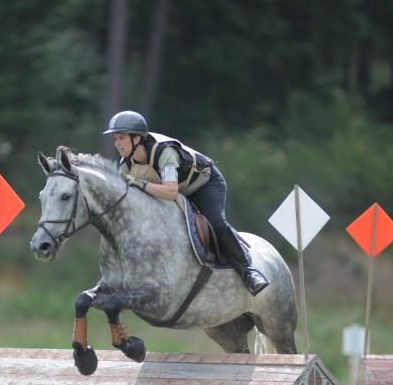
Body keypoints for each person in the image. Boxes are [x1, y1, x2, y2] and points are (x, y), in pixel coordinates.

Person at [103, 110, 269, 296]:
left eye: (121, 138)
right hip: (176, 191)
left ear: (136, 139)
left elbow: (170, 191)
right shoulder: (126, 165)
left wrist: (139, 183)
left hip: (204, 184)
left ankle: (248, 272)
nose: (117, 144)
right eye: (115, 139)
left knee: (215, 222)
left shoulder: (164, 152)